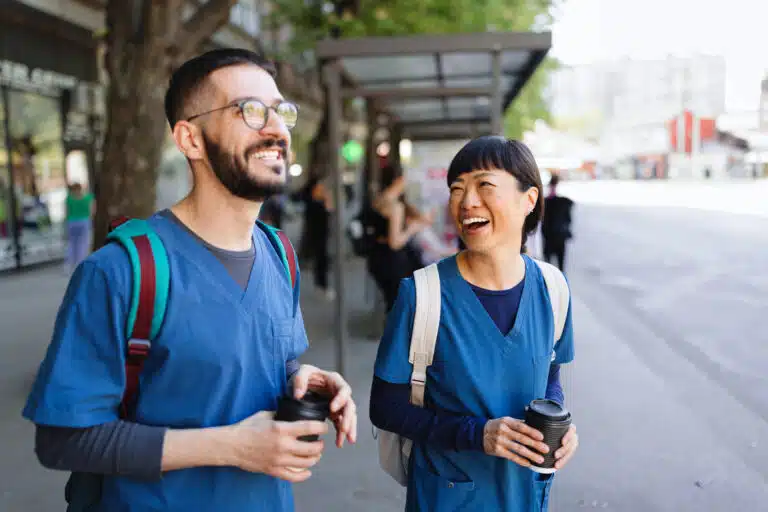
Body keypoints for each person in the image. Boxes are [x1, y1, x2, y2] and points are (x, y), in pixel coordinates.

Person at [22, 48, 357, 511]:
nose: (277, 128)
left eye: (282, 112)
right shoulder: (122, 271)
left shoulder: (280, 255)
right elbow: (62, 439)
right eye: (251, 111)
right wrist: (233, 446)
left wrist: (304, 378)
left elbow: (253, 363)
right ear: (190, 139)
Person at [370, 136, 578, 511]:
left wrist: (558, 425)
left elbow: (550, 379)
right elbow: (385, 407)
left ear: (529, 200)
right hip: (446, 498)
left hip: (524, 495)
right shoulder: (422, 295)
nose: (466, 202)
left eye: (484, 186)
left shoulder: (553, 289)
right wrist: (476, 434)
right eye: (457, 189)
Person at [366, 166, 431, 311]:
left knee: (392, 305)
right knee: (402, 307)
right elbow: (395, 243)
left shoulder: (378, 200)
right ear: (398, 180)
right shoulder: (395, 207)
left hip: (377, 258)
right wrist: (412, 229)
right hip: (394, 261)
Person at [540, 174, 573, 272]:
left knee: (548, 266)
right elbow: (569, 219)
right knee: (558, 265)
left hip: (551, 236)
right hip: (557, 235)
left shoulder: (547, 201)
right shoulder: (564, 202)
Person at [64, 182, 95, 271]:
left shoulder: (69, 199)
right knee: (83, 243)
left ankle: (68, 264)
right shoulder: (89, 198)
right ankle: (80, 263)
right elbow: (92, 211)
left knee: (71, 243)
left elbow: (66, 212)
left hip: (72, 222)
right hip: (84, 221)